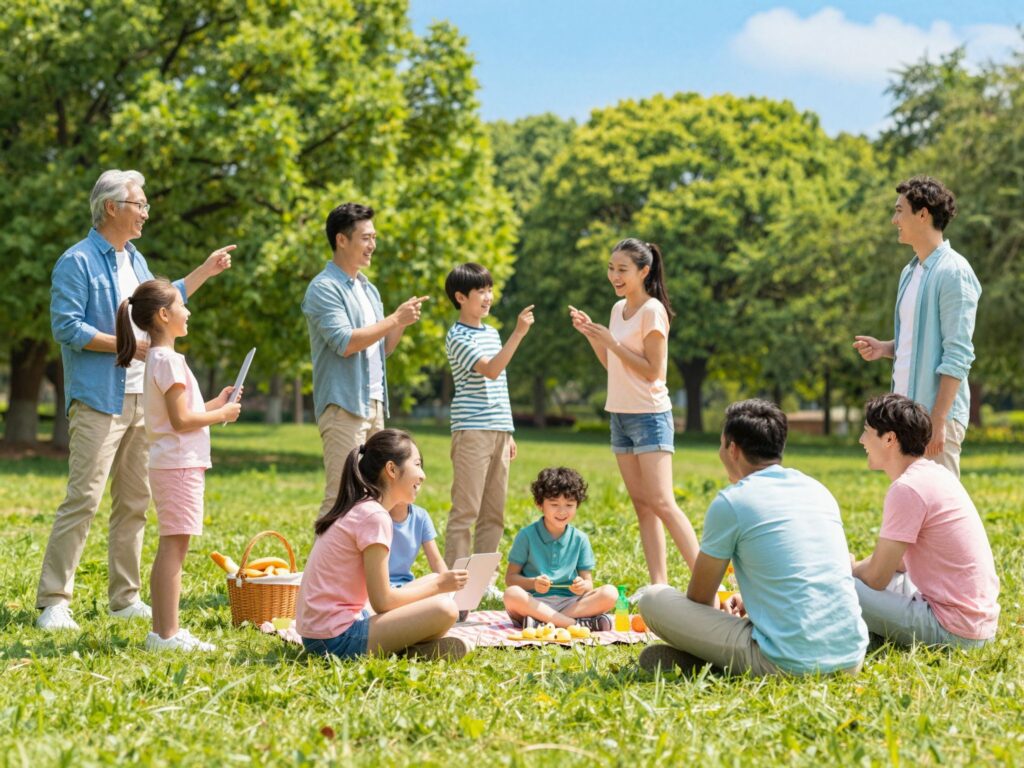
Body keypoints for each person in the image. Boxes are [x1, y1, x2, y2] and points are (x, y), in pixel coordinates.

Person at [37, 168, 235, 631]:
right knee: (83, 497)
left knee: (134, 502)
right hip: (98, 398)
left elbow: (163, 304)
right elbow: (66, 327)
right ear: (112, 207)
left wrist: (204, 271)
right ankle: (53, 601)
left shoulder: (137, 259)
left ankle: (124, 598)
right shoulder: (77, 261)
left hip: (142, 399)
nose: (146, 212)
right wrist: (129, 345)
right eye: (140, 205)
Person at [638, 399, 868, 677]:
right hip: (851, 659)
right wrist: (754, 599)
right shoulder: (818, 490)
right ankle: (715, 660)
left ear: (732, 449)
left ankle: (713, 662)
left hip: (786, 663)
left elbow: (700, 597)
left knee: (652, 599)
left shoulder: (733, 502)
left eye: (721, 444)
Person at [115, 279, 241, 651]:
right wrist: (221, 414)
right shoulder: (168, 360)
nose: (189, 312)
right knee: (174, 548)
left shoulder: (160, 358)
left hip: (174, 463)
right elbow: (182, 421)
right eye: (182, 306)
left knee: (173, 544)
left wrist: (216, 403)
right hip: (178, 465)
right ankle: (166, 634)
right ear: (164, 315)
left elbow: (182, 414)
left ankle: (164, 632)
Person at [570, 238, 699, 600]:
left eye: (622, 269)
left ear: (644, 271)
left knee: (662, 502)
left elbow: (654, 372)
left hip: (650, 416)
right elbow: (613, 365)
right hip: (620, 416)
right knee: (643, 505)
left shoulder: (652, 311)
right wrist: (593, 336)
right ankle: (659, 585)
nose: (614, 275)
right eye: (611, 268)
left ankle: (709, 581)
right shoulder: (617, 310)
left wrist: (611, 342)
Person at [296, 429, 472, 660]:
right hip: (334, 640)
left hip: (320, 633)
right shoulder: (375, 517)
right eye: (417, 464)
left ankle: (411, 651)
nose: (422, 475)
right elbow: (383, 602)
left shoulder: (363, 507)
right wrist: (440, 584)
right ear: (391, 469)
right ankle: (404, 651)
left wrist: (436, 583)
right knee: (445, 608)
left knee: (430, 582)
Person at [302, 203, 429, 518]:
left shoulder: (368, 289)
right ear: (341, 240)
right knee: (340, 497)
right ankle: (321, 568)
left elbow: (382, 349)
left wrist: (399, 322)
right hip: (343, 405)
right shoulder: (324, 288)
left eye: (374, 237)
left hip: (374, 404)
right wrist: (393, 318)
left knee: (378, 497)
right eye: (365, 238)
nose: (373, 245)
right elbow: (345, 342)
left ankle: (368, 568)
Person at [853, 176, 981, 478]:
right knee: (910, 503)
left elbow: (958, 354)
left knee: (941, 510)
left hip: (934, 418)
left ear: (923, 214)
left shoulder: (954, 272)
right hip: (904, 416)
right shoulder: (910, 273)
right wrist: (886, 348)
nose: (894, 219)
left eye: (900, 211)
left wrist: (938, 420)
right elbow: (920, 340)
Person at [851, 393, 999, 649]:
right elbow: (897, 564)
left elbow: (876, 577)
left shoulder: (907, 489)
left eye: (867, 431)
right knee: (873, 580)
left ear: (889, 438)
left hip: (954, 631)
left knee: (835, 584)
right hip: (978, 626)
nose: (861, 440)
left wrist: (846, 568)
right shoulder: (933, 474)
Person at [442, 263, 533, 572]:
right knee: (466, 511)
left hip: (498, 431)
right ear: (460, 297)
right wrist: (519, 334)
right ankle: (455, 580)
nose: (487, 297)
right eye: (479, 291)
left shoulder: (492, 333)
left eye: (489, 290)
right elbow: (492, 370)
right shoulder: (457, 337)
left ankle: (483, 579)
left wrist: (508, 431)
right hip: (472, 431)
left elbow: (500, 388)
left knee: (494, 512)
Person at [503, 467, 618, 630]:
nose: (562, 511)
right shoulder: (526, 535)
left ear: (577, 505)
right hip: (535, 604)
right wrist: (533, 583)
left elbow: (589, 584)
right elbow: (510, 578)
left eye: (569, 505)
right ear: (539, 504)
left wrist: (581, 586)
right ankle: (573, 624)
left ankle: (543, 623)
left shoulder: (580, 539)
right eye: (554, 504)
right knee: (511, 594)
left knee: (610, 593)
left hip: (571, 604)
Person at [388, 502, 446, 588]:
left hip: (406, 585)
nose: (417, 487)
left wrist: (450, 586)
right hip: (381, 590)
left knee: (439, 580)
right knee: (436, 581)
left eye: (419, 486)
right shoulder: (375, 515)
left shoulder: (421, 516)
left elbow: (436, 561)